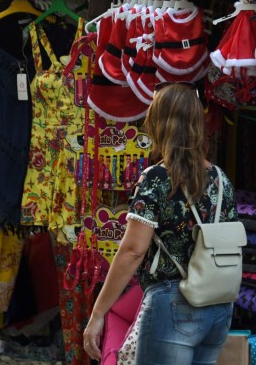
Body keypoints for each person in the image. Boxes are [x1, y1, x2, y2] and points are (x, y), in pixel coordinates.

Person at [83, 82, 239, 364]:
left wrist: (98, 313)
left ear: (159, 123)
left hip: (173, 303)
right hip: (218, 307)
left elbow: (133, 251)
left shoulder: (157, 178)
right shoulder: (221, 179)